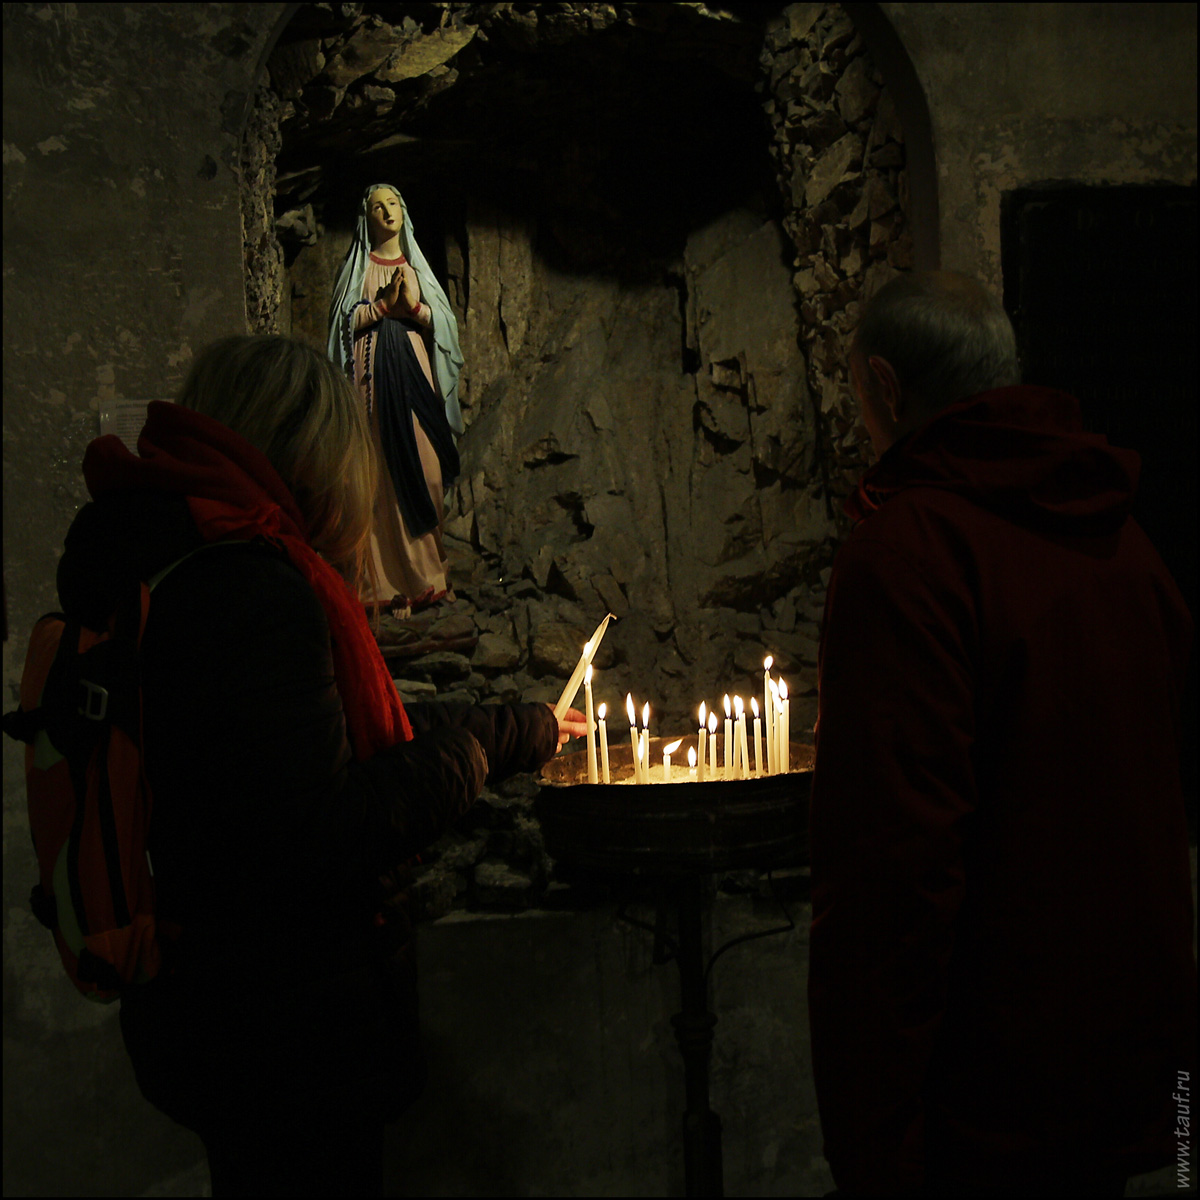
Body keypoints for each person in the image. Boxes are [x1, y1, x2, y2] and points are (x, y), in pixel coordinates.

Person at [57, 334, 585, 1196]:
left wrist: (521, 728)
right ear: (311, 455)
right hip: (284, 1036)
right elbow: (323, 827)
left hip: (213, 1006)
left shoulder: (179, 559)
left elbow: (317, 741)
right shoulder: (251, 589)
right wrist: (475, 752)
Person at [808, 271, 1195, 1196]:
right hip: (1124, 1057)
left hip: (987, 1092)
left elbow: (895, 860)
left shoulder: (909, 553)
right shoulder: (1125, 541)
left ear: (887, 387)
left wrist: (873, 1137)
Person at [327, 182, 466, 619]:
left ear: (404, 212)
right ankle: (386, 584)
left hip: (413, 376)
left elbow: (442, 326)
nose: (387, 212)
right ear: (366, 218)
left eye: (393, 204)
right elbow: (340, 327)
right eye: (377, 207)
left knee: (428, 471)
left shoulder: (417, 267)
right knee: (379, 476)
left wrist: (415, 309)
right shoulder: (358, 270)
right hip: (371, 381)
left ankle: (429, 572)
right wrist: (382, 307)